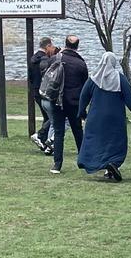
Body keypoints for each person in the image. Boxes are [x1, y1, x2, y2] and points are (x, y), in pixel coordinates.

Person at [75, 52, 131, 181]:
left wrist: (81, 112)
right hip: (115, 118)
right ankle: (112, 164)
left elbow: (83, 96)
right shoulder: (120, 79)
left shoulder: (94, 79)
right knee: (115, 142)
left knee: (95, 141)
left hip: (96, 118)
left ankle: (99, 164)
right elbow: (130, 97)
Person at [50, 35, 88, 173]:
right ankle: (84, 160)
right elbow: (85, 86)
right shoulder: (80, 64)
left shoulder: (55, 59)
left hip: (57, 101)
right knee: (78, 131)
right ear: (77, 46)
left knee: (58, 132)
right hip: (74, 102)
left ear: (65, 44)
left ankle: (57, 164)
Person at [29, 37, 54, 151]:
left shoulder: (33, 59)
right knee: (52, 117)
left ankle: (43, 141)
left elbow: (30, 76)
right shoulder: (45, 60)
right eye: (51, 46)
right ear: (47, 46)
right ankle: (40, 136)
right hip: (44, 90)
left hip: (35, 89)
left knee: (47, 117)